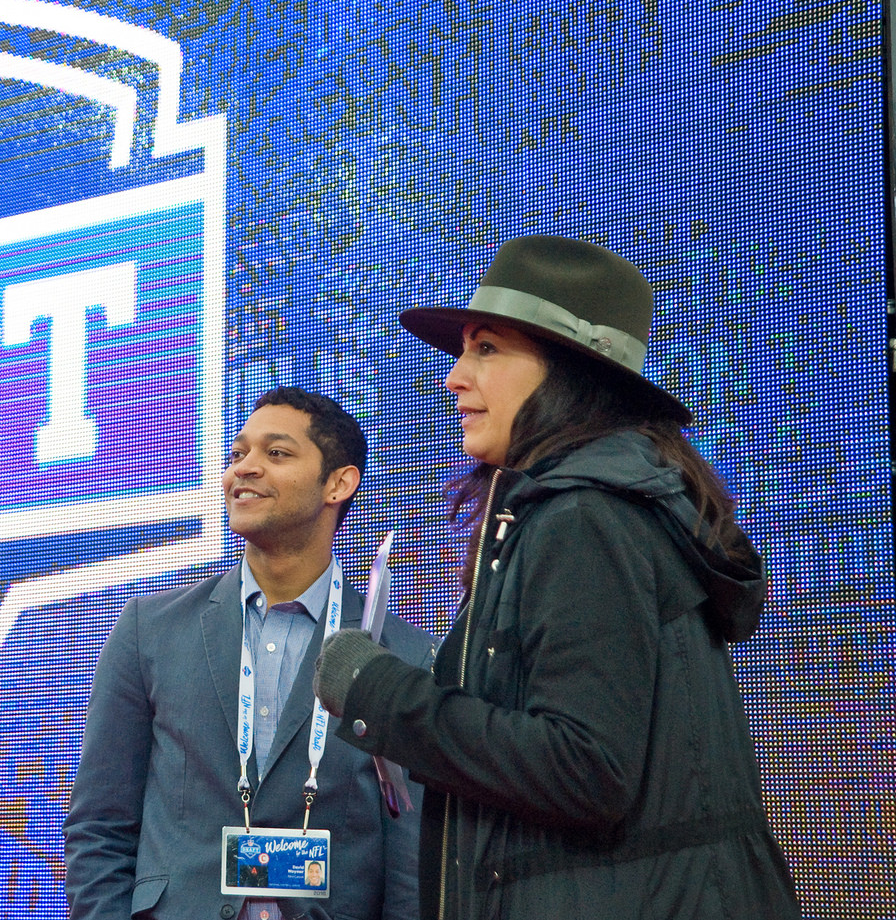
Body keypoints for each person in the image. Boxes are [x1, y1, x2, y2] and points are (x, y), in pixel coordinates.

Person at [313, 235, 802, 919]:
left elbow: (586, 767)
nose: (454, 376)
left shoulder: (585, 516)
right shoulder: (580, 506)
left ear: (568, 373)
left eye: (486, 349)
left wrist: (381, 695)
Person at [65, 387, 434, 920]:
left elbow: (409, 856)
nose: (245, 469)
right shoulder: (150, 629)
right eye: (238, 455)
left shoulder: (399, 652)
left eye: (276, 454)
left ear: (338, 483)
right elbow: (100, 826)